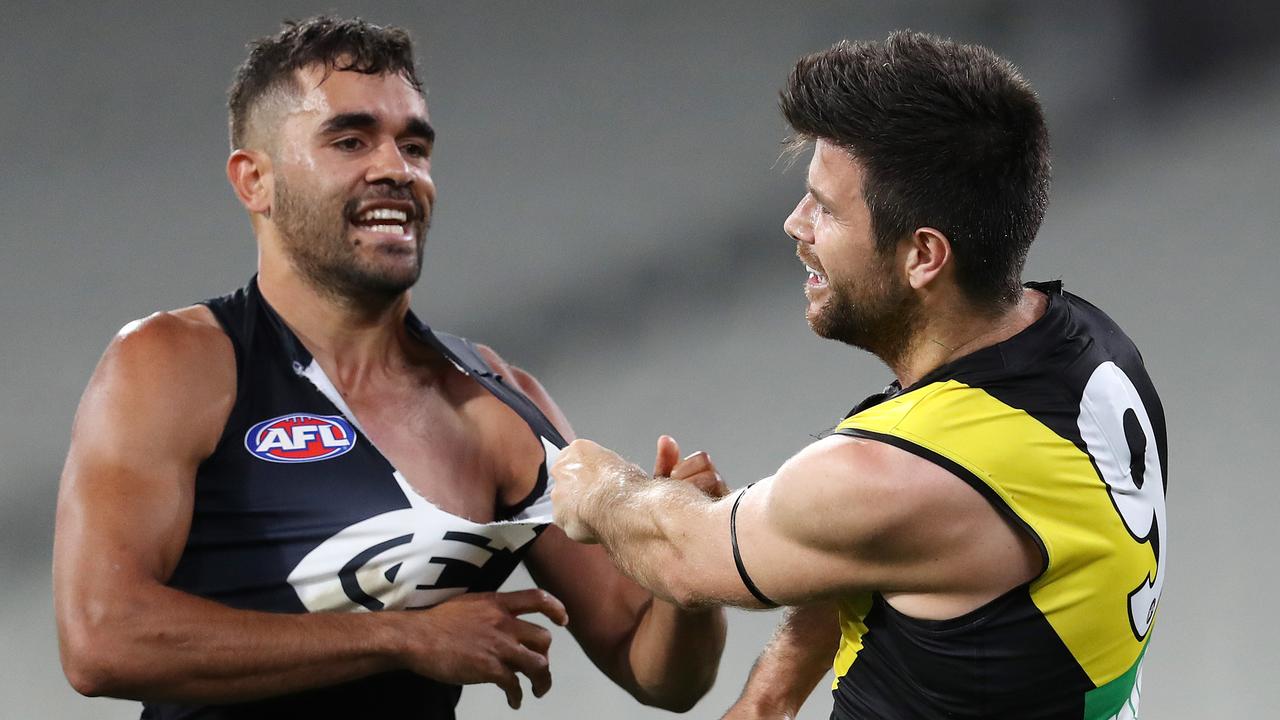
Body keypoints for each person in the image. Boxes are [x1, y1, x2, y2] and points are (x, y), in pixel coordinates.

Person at [53, 16, 726, 719]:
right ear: (256, 181)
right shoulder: (175, 364)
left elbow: (657, 673)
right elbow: (102, 639)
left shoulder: (495, 403)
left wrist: (690, 568)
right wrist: (400, 637)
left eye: (414, 145)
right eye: (350, 140)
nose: (396, 169)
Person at [551, 31, 1167, 720]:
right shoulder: (1090, 348)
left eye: (826, 208)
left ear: (924, 255)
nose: (795, 223)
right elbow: (892, 548)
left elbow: (683, 557)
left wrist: (598, 489)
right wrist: (768, 699)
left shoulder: (889, 480)